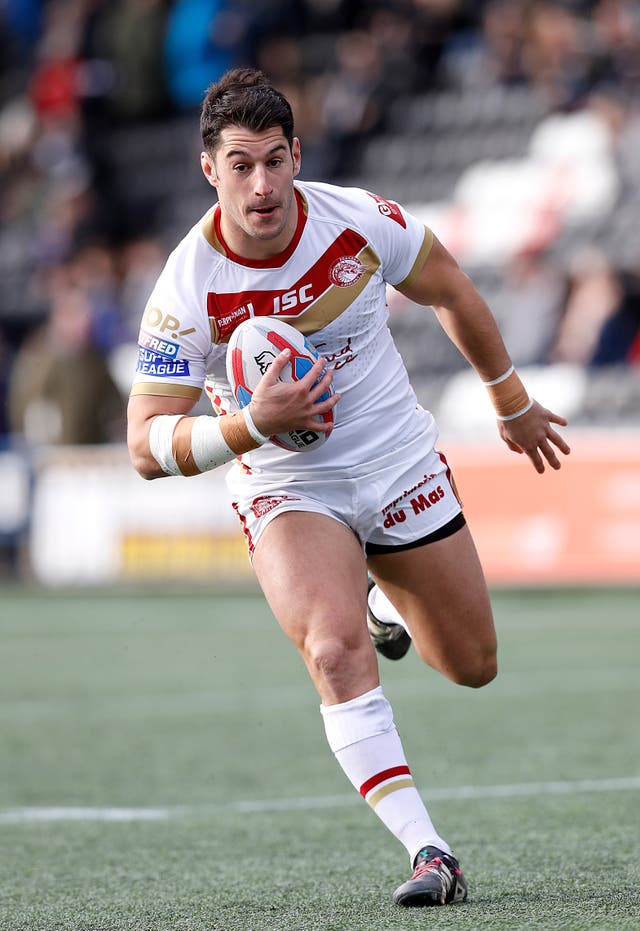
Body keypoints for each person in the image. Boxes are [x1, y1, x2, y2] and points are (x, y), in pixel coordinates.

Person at [127, 68, 570, 908]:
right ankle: (429, 850)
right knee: (332, 652)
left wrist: (510, 401)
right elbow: (144, 443)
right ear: (208, 170)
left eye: (273, 161)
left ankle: (378, 596)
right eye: (240, 165)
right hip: (290, 486)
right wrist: (253, 424)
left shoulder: (358, 221)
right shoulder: (187, 289)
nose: (260, 186)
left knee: (473, 664)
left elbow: (450, 289)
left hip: (399, 461)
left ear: (297, 155)